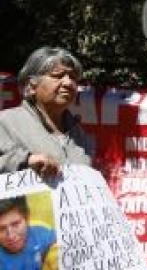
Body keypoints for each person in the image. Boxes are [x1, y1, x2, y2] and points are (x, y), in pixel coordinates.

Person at [0, 47, 93, 176]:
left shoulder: (79, 135)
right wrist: (25, 161)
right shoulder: (5, 122)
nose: (68, 83)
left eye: (73, 77)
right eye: (58, 76)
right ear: (31, 86)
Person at [0, 196, 57, 270]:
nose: (11, 236)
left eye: (15, 224)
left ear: (27, 217)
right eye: (1, 229)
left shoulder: (42, 233)